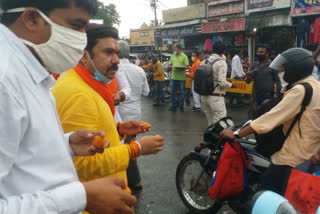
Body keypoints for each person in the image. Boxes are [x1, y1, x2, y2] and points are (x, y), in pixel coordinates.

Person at [0, 1, 138, 214]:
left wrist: (66, 144)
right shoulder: (5, 79)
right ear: (31, 19)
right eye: (76, 26)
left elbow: (23, 155)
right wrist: (81, 197)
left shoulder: (30, 71)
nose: (82, 39)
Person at [52, 23, 164, 201]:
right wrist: (136, 148)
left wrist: (119, 130)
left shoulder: (88, 84)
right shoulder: (78, 94)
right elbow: (81, 162)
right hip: (96, 202)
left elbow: (89, 139)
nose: (117, 60)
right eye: (108, 52)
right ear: (84, 56)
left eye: (116, 53)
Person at [221, 48, 320, 194]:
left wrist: (236, 135)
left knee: (265, 192)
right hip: (310, 153)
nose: (282, 73)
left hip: (292, 156)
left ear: (295, 70)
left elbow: (270, 119)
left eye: (284, 69)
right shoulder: (315, 86)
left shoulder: (300, 90)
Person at [117, 40, 150, 190]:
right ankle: (132, 179)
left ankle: (130, 180)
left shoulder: (113, 69)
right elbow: (146, 92)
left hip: (118, 113)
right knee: (129, 146)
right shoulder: (139, 70)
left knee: (122, 147)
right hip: (135, 112)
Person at [200, 41, 237, 125]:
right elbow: (221, 82)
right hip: (216, 98)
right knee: (220, 125)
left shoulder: (204, 62)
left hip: (204, 98)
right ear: (223, 51)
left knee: (211, 123)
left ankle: (210, 138)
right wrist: (232, 85)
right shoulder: (221, 63)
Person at [168, 44, 189, 112]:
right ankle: (174, 106)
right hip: (173, 77)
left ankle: (181, 106)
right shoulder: (172, 56)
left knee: (182, 93)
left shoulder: (184, 56)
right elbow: (170, 64)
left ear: (178, 48)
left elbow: (187, 67)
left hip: (181, 78)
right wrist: (169, 66)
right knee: (172, 92)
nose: (173, 49)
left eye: (174, 48)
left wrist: (182, 69)